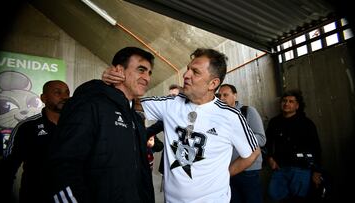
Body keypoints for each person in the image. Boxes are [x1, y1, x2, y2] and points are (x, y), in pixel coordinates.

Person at [102, 48, 261, 202]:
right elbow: (133, 101)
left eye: (195, 72)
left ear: (213, 83)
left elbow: (253, 153)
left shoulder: (231, 116)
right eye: (188, 69)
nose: (186, 75)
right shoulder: (171, 104)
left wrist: (224, 174)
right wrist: (115, 81)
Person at [48, 47, 155, 203]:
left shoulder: (136, 119)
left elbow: (142, 174)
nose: (147, 78)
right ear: (119, 70)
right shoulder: (90, 105)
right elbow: (61, 169)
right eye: (141, 69)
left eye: (149, 72)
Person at [1, 80, 70, 203]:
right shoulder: (26, 127)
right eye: (57, 93)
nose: (64, 97)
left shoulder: (77, 125)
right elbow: (8, 167)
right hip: (35, 196)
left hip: (71, 198)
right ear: (43, 98)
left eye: (67, 92)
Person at [265, 89, 322, 202]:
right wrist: (270, 158)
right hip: (280, 168)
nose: (286, 104)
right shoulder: (274, 122)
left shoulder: (306, 123)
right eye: (284, 101)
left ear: (297, 105)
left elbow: (316, 148)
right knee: (275, 196)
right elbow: (267, 143)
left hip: (301, 169)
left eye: (291, 101)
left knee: (299, 199)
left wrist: (317, 171)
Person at [217, 84, 266, 203]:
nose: (221, 98)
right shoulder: (217, 116)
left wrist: (237, 137)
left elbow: (261, 139)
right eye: (219, 95)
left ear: (235, 95)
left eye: (225, 95)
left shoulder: (248, 111)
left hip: (248, 171)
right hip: (227, 171)